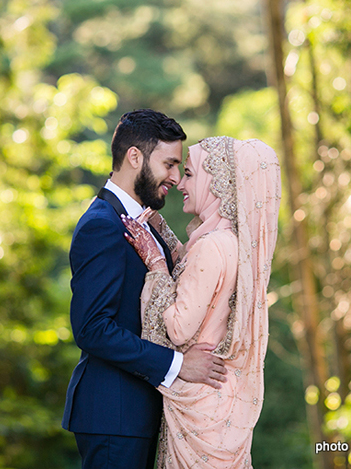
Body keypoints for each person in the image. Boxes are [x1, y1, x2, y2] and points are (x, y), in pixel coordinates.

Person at [62, 110, 228, 469]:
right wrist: (178, 364)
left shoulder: (144, 222)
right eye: (168, 164)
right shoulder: (101, 224)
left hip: (136, 412)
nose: (174, 177)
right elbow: (92, 329)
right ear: (134, 156)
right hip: (113, 414)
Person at [122, 136, 281, 468]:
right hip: (220, 406)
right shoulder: (234, 243)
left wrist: (156, 265)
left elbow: (179, 329)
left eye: (191, 174)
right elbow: (200, 285)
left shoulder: (211, 246)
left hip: (200, 407)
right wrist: (162, 232)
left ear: (218, 184)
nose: (179, 181)